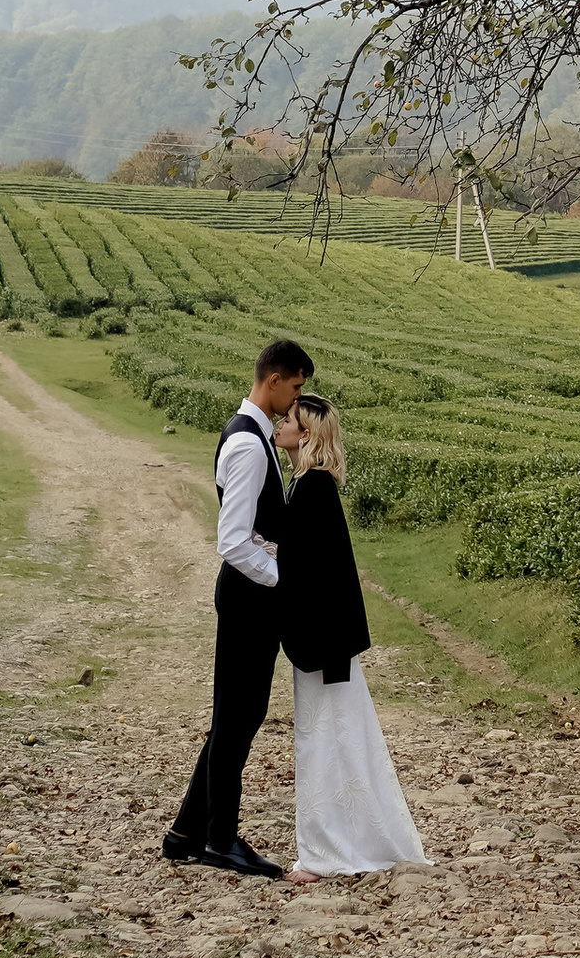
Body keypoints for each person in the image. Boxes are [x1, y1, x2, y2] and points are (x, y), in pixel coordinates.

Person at [162, 333, 314, 878]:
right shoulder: (249, 444)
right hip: (251, 597)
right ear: (273, 379)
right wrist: (282, 580)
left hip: (249, 596)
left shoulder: (249, 432)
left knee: (236, 714)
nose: (297, 399)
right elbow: (232, 540)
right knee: (237, 719)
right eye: (294, 388)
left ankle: (186, 832)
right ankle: (221, 840)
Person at [276, 395, 427, 884]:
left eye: (288, 419)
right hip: (323, 639)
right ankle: (339, 841)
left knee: (324, 739)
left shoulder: (313, 487)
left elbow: (311, 569)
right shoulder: (308, 483)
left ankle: (326, 852)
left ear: (306, 434)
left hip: (322, 641)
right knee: (331, 736)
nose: (279, 424)